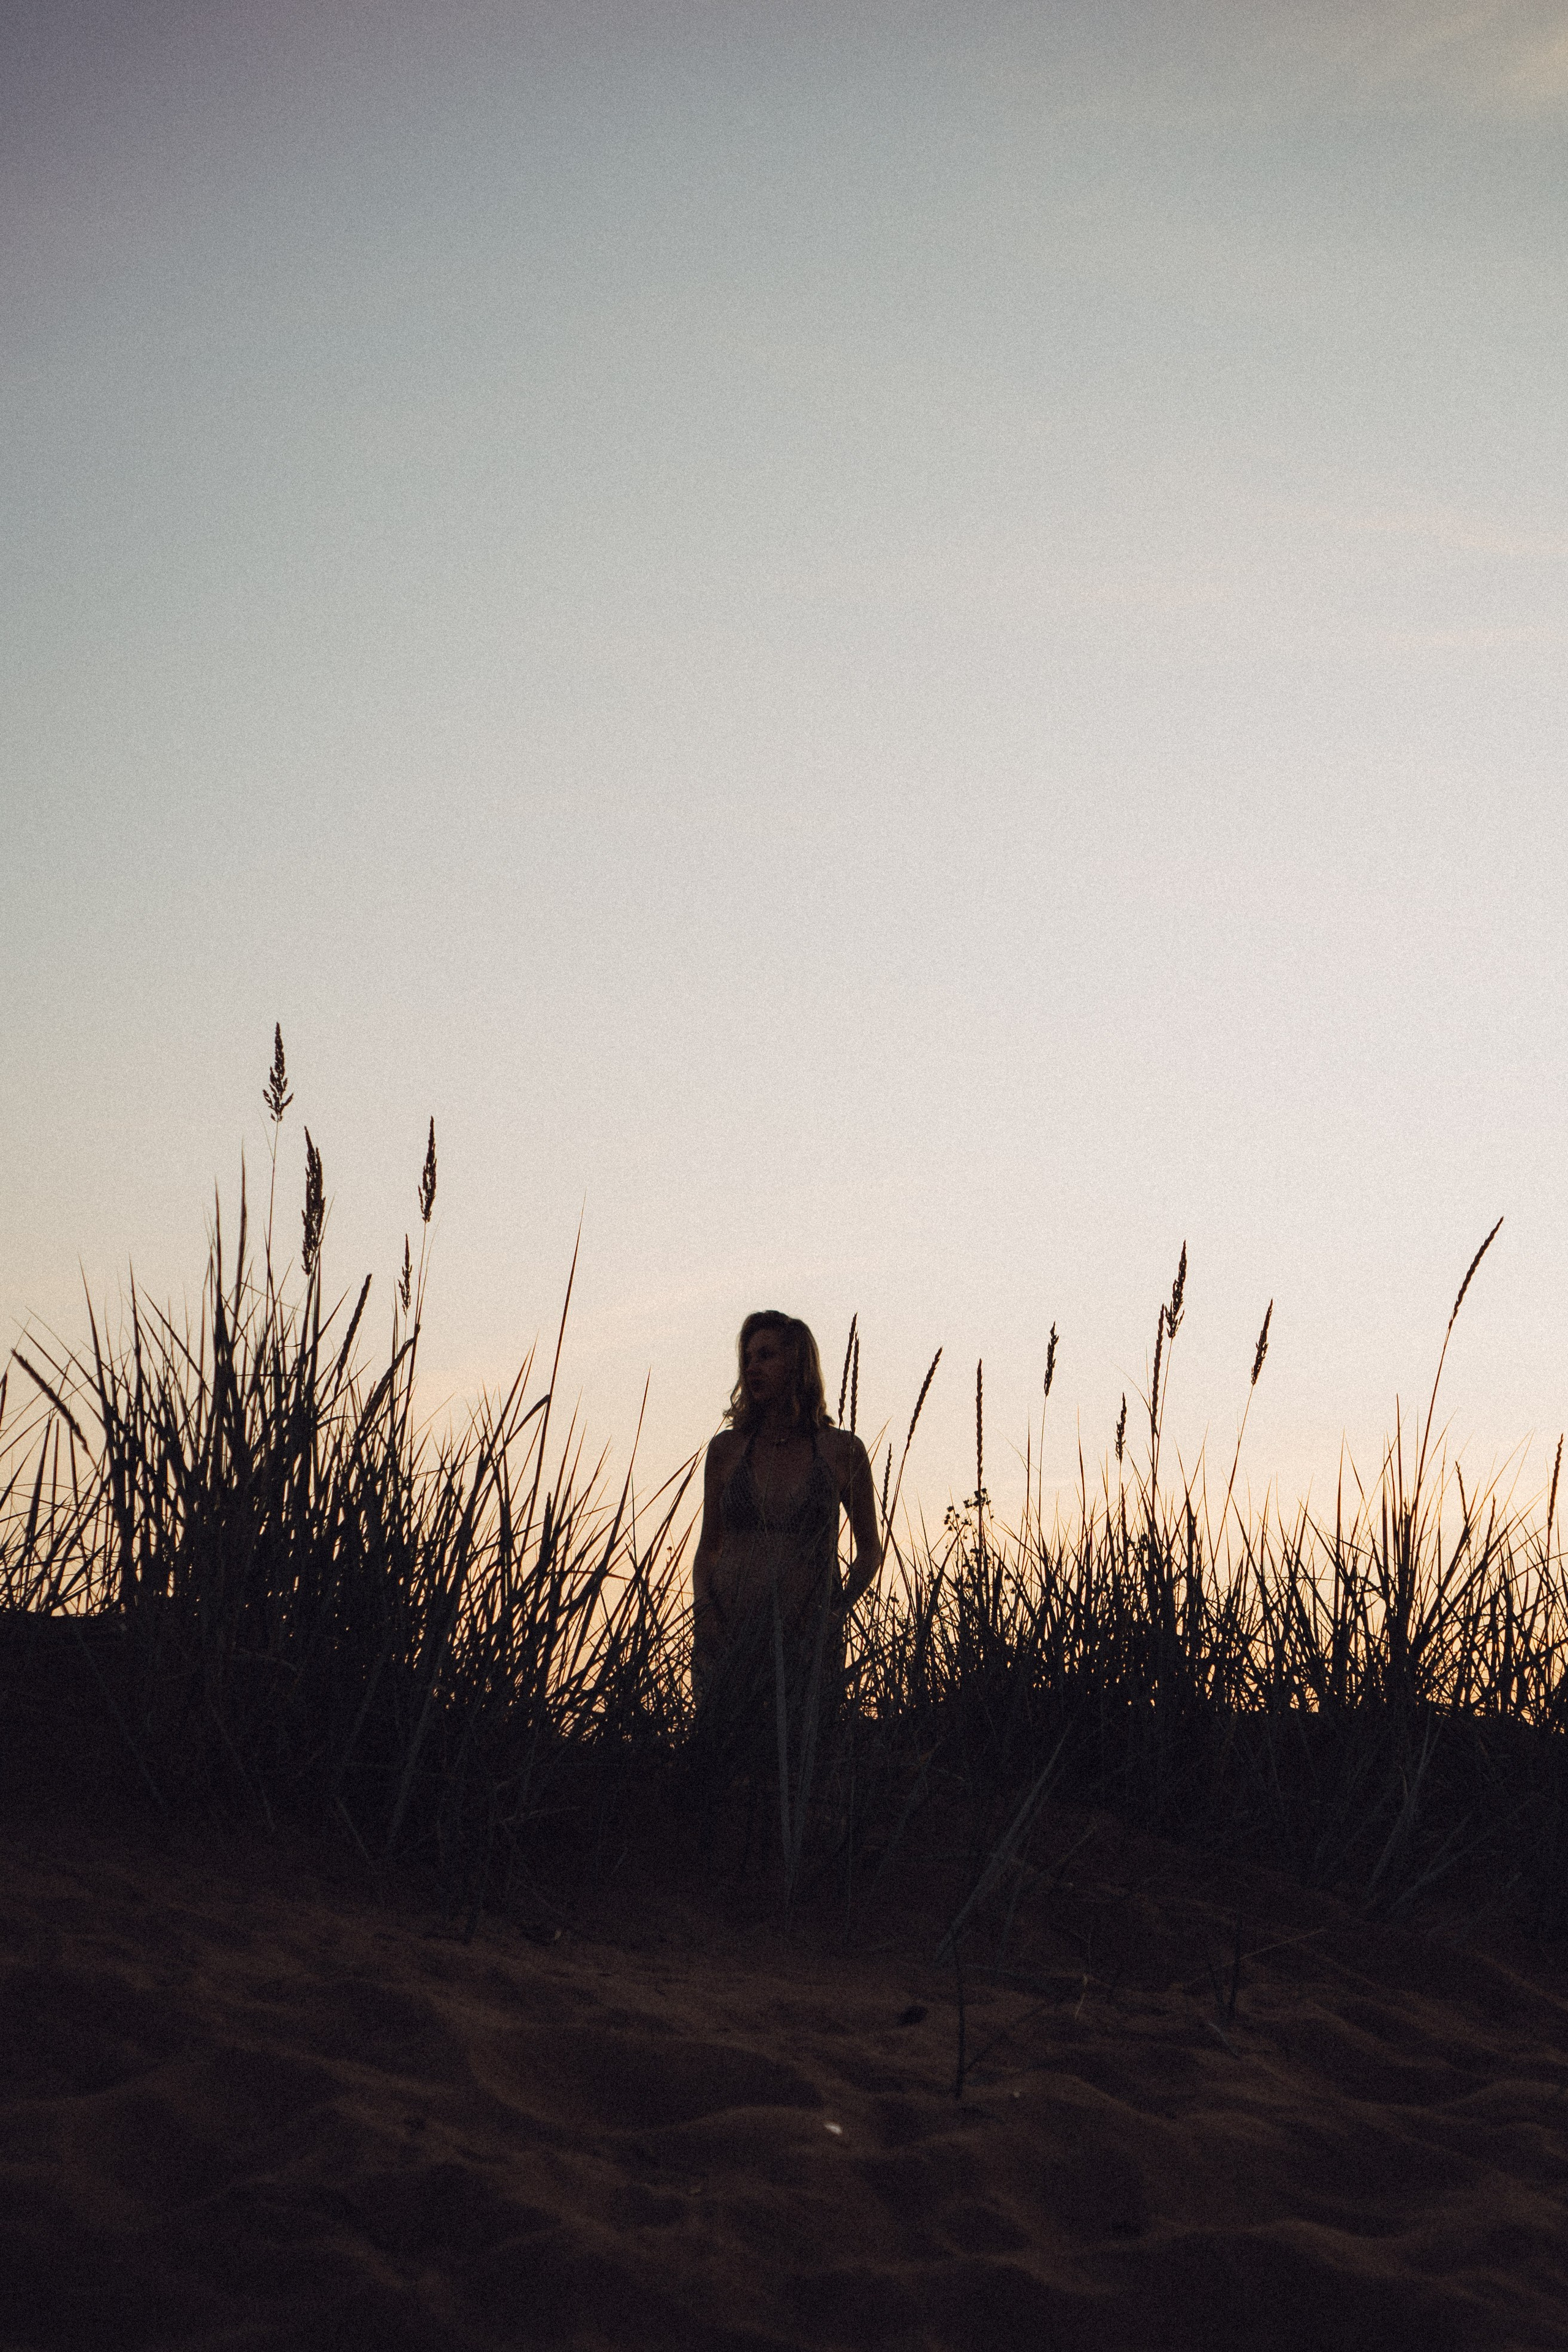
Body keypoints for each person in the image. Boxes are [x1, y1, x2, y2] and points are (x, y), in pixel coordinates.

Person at [690, 1312, 882, 1746]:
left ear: (797, 1364)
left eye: (766, 1355)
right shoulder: (726, 1449)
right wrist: (705, 1610)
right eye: (748, 1357)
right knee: (722, 1763)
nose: (752, 1367)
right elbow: (708, 1548)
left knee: (799, 1762)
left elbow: (870, 1550)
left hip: (806, 1642)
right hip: (727, 1634)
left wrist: (836, 1609)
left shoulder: (841, 1451)